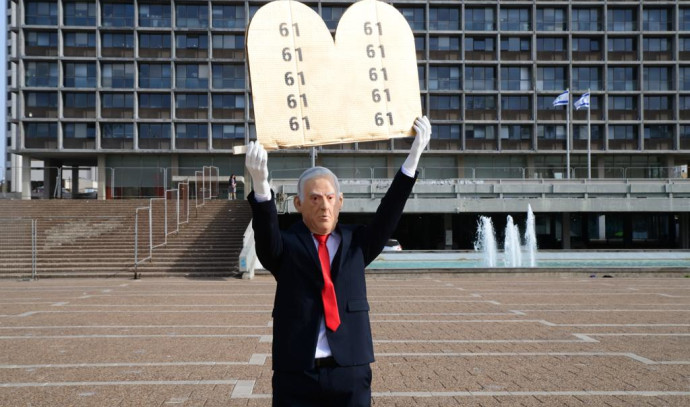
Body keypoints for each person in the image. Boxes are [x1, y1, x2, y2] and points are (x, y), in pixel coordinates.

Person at [245, 116, 431, 407]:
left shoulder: (358, 243)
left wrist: (414, 156)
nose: (324, 206)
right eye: (315, 198)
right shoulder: (287, 246)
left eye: (330, 197)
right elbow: (267, 242)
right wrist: (260, 186)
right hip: (296, 372)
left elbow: (389, 212)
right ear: (298, 204)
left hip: (350, 370)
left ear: (340, 201)